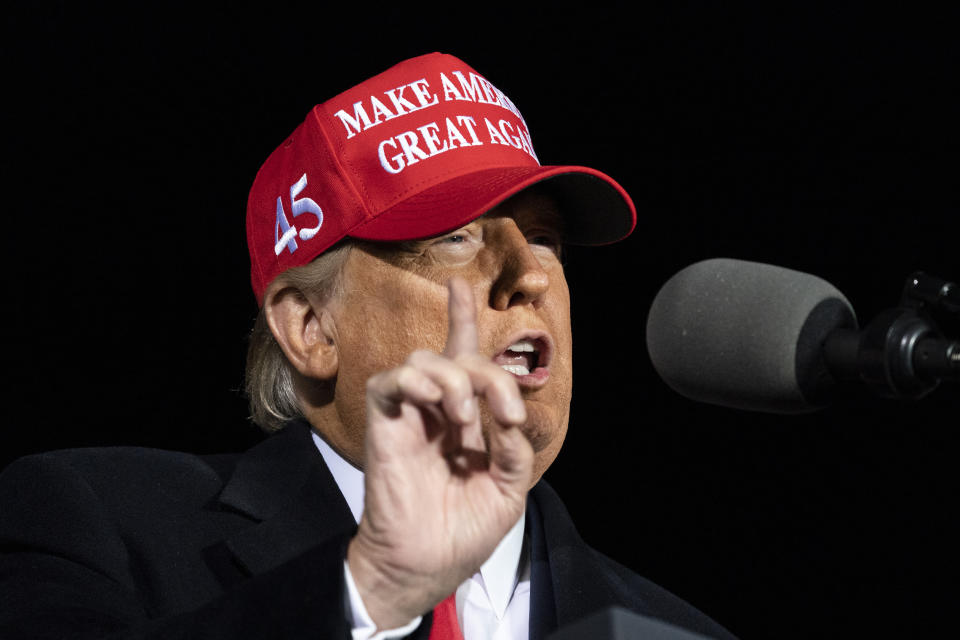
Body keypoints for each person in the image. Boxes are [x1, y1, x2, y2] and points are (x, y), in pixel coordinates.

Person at [0, 53, 736, 639]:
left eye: (545, 238)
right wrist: (372, 586)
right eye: (455, 238)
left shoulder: (677, 632)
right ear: (311, 326)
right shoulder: (93, 519)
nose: (530, 276)